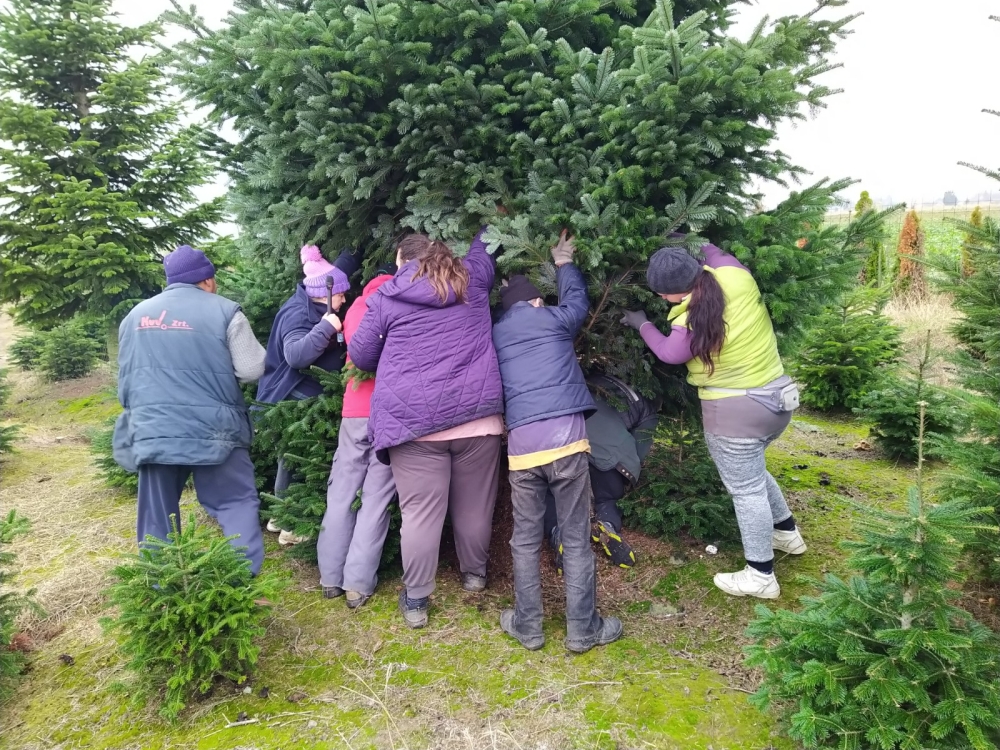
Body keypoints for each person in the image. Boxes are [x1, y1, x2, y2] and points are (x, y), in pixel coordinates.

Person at [621, 242, 804, 600]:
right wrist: (687, 238)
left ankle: (760, 575)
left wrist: (641, 323)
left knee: (745, 490)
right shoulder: (736, 277)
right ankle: (786, 533)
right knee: (753, 473)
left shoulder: (688, 317)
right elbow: (714, 250)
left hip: (735, 414)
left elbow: (669, 353)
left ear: (667, 293)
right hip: (779, 401)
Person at [348, 229, 504, 629]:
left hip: (412, 424)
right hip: (476, 418)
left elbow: (362, 355)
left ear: (402, 260)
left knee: (419, 514)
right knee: (475, 505)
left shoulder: (387, 297)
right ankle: (474, 574)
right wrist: (487, 223)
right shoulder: (472, 277)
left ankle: (417, 599)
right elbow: (483, 249)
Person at [491, 231, 622, 653]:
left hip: (523, 450)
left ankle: (528, 627)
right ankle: (583, 631)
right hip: (567, 444)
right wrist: (564, 263)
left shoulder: (494, 335)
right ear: (533, 302)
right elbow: (578, 305)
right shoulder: (551, 319)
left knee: (524, 539)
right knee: (577, 537)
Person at [113, 245, 268, 574]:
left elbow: (126, 378)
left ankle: (162, 591)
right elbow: (252, 369)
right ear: (209, 281)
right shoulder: (225, 311)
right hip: (217, 431)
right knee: (235, 502)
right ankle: (243, 587)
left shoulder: (134, 316)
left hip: (153, 429)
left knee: (157, 513)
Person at [256, 244, 363, 545]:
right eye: (341, 294)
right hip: (293, 401)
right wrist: (326, 328)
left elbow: (337, 272)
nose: (345, 298)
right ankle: (293, 528)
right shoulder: (299, 315)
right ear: (325, 295)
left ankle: (279, 514)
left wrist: (355, 252)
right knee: (299, 462)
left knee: (288, 461)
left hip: (297, 398)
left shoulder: (319, 291)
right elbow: (295, 355)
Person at [316, 265, 398, 608]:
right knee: (376, 497)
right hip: (389, 411)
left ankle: (330, 578)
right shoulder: (401, 304)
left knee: (342, 492)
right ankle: (358, 585)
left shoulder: (355, 308)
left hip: (354, 410)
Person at [543, 374, 660, 572]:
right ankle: (607, 523)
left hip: (567, 449)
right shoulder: (645, 406)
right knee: (607, 499)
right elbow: (639, 453)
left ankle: (558, 533)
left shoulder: (586, 378)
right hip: (610, 459)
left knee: (551, 494)